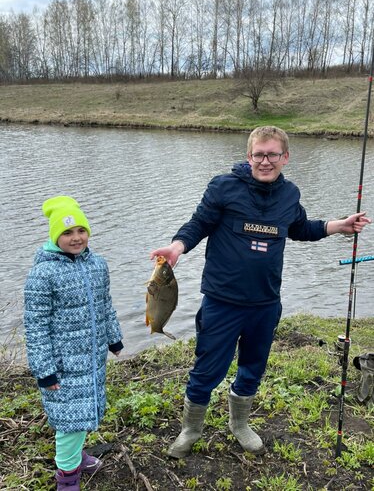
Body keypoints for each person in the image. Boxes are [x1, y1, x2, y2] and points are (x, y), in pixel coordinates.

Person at [150, 125, 371, 459]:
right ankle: (190, 430)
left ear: (285, 157)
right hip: (222, 302)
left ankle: (239, 424)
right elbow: (199, 224)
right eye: (258, 154)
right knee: (207, 369)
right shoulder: (223, 187)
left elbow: (299, 228)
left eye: (272, 154)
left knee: (253, 366)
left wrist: (337, 226)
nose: (265, 161)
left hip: (265, 303)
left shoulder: (289, 194)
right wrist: (179, 246)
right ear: (248, 156)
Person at [24, 196, 124, 490]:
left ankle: (75, 457)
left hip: (92, 359)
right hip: (63, 365)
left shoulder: (98, 265)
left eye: (81, 230)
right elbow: (36, 325)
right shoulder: (43, 274)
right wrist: (44, 370)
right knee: (69, 421)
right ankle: (67, 479)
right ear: (55, 236)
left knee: (84, 412)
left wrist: (113, 338)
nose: (76, 238)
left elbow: (105, 306)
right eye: (67, 232)